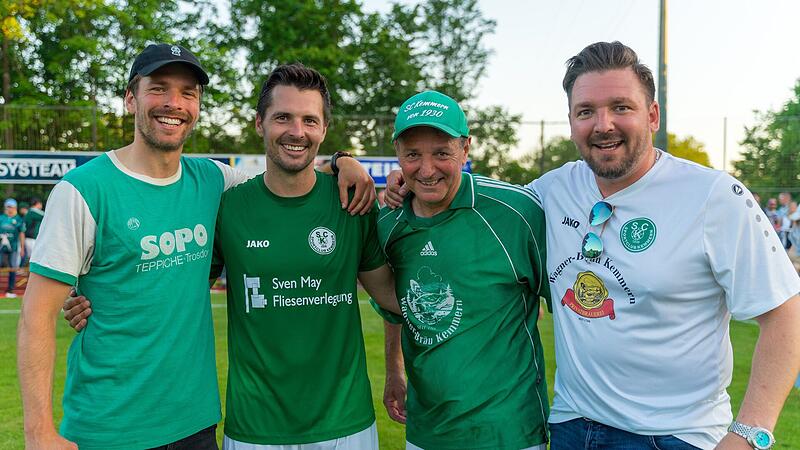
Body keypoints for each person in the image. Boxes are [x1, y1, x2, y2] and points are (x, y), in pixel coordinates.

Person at [385, 42, 800, 450]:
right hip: (572, 426)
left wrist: (749, 434)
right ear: (571, 122)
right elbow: (469, 200)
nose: (603, 124)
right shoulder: (549, 192)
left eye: (621, 107)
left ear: (652, 115)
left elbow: (785, 314)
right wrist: (404, 180)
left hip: (676, 435)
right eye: (586, 112)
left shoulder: (713, 196)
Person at [18, 44, 373, 450]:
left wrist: (343, 161)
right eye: (159, 88)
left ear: (198, 105)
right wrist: (39, 433)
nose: (174, 103)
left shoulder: (214, 182)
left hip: (196, 426)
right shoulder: (82, 191)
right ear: (130, 97)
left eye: (188, 92)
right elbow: (36, 315)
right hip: (108, 428)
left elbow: (287, 171)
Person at [210, 63, 400, 450]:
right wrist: (93, 297)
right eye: (283, 117)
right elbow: (177, 289)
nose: (297, 132)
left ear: (324, 130)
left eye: (309, 120)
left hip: (345, 426)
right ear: (259, 123)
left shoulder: (354, 204)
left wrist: (395, 370)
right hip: (254, 428)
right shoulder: (228, 209)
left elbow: (394, 299)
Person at [377, 90, 550, 450]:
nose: (426, 170)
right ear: (397, 154)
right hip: (426, 432)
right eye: (413, 155)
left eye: (442, 153)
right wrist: (394, 371)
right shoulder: (389, 223)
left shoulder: (516, 213)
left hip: (509, 432)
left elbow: (569, 305)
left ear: (466, 148)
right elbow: (395, 303)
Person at [0, 198, 25, 297]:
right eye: (8, 207)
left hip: (13, 248)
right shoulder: (1, 218)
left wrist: (22, 248)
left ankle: (10, 289)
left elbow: (22, 234)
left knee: (13, 268)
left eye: (11, 207)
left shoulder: (18, 219)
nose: (9, 209)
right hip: (1, 248)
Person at [23, 197, 44, 263]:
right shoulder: (33, 211)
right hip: (32, 239)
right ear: (37, 203)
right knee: (35, 259)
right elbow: (47, 215)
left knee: (32, 258)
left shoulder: (30, 212)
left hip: (30, 239)